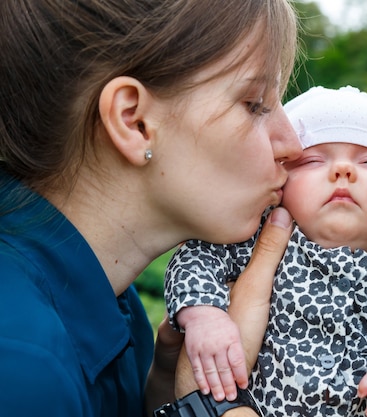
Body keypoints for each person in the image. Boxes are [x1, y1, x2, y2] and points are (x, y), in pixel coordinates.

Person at [0, 1, 301, 416]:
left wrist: (165, 395)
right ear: (134, 121)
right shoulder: (22, 366)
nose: (292, 146)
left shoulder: (124, 315)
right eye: (254, 104)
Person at [165, 86, 367, 417]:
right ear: (279, 185)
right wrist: (205, 314)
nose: (342, 171)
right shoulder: (254, 240)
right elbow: (195, 258)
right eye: (312, 160)